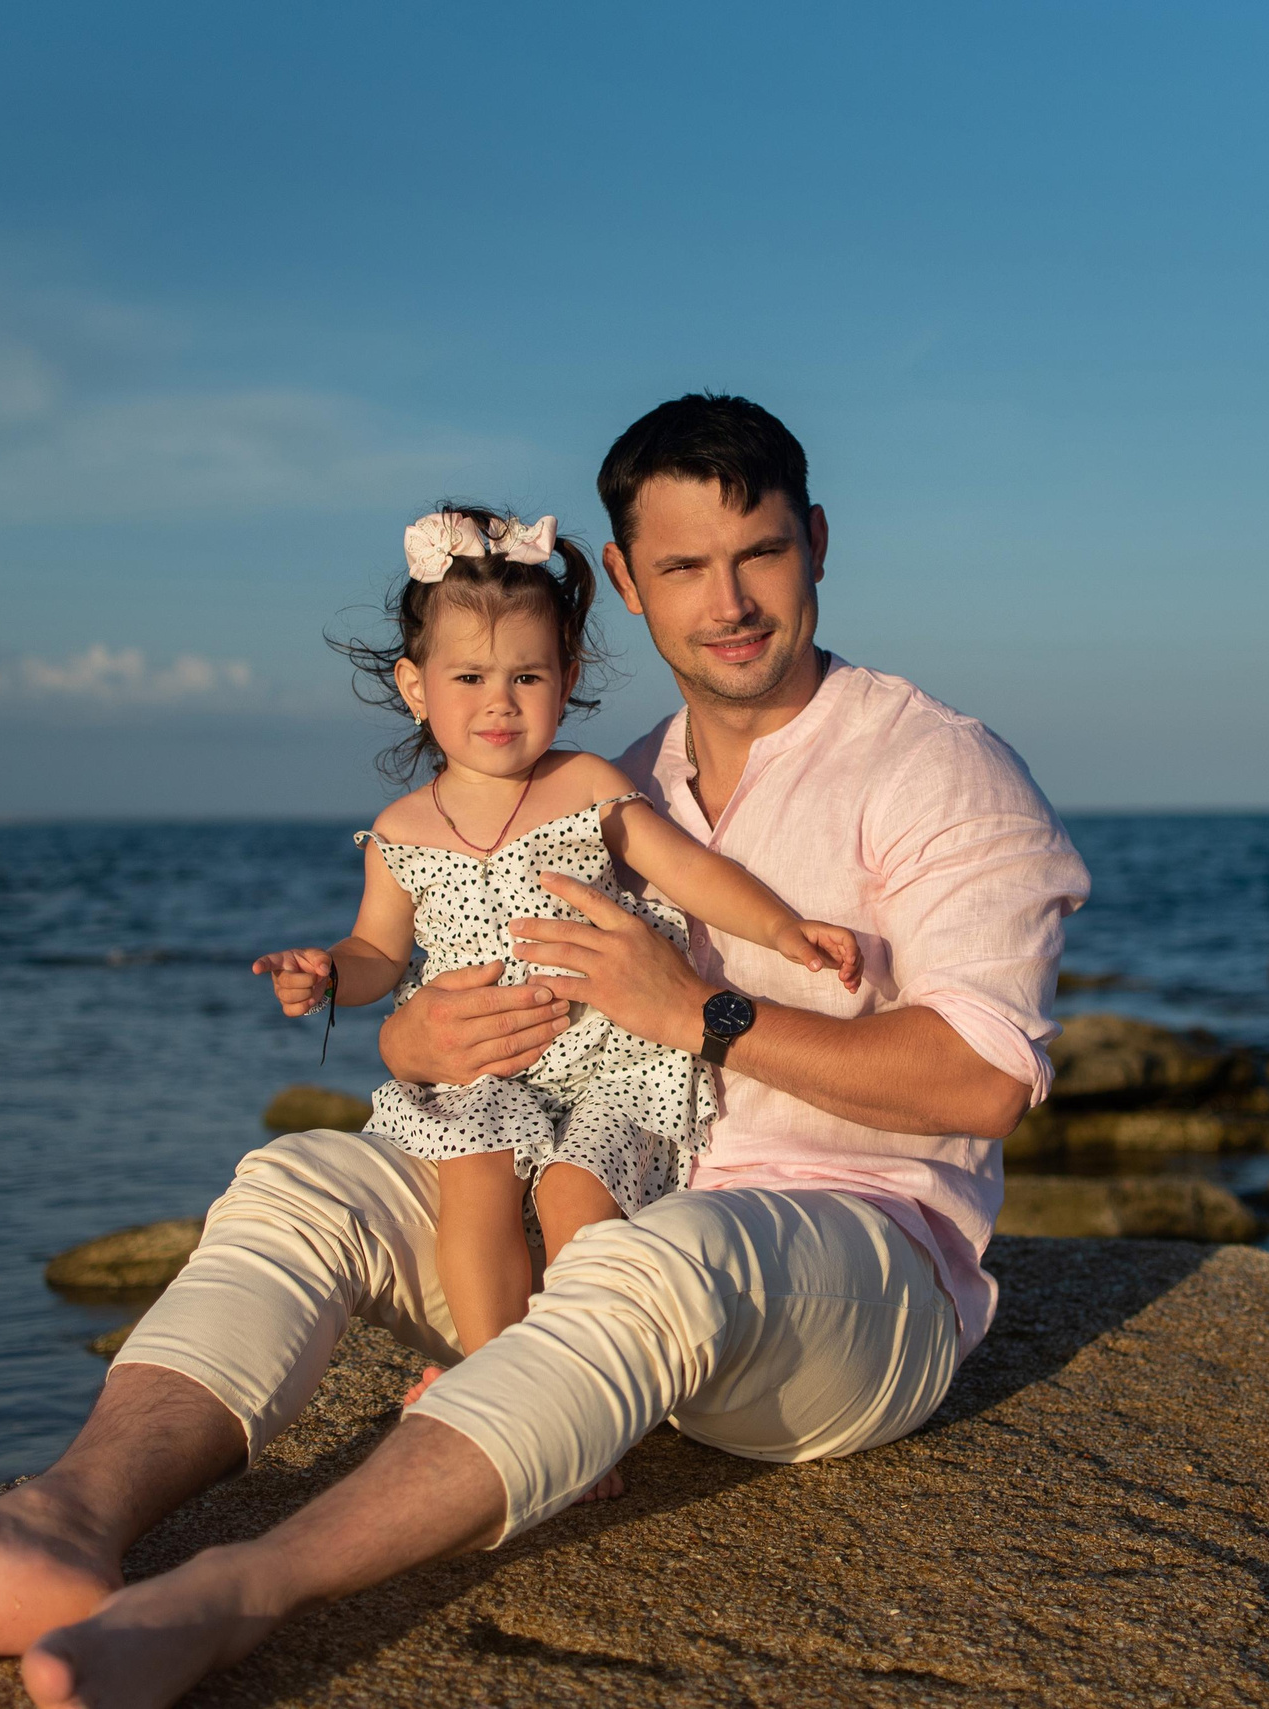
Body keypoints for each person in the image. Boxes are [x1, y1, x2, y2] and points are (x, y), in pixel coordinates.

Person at [0, 394, 1090, 1709]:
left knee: (652, 1258)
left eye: (762, 553)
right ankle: (53, 1529)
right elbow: (438, 958)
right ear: (621, 580)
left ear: (818, 544)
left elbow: (979, 1083)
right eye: (685, 565)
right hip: (602, 1203)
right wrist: (408, 1028)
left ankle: (236, 1594)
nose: (728, 599)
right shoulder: (609, 771)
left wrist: (702, 1011)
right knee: (302, 1180)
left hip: (846, 1273)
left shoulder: (938, 770)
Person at [249, 502, 861, 1422]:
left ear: (568, 678)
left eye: (528, 675)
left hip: (612, 1060)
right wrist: (329, 973)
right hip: (492, 1066)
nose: (500, 701)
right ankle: (496, 1378)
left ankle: (581, 1395)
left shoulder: (585, 788)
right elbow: (379, 949)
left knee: (580, 1195)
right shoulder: (400, 831)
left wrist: (781, 929)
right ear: (417, 686)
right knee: (472, 1170)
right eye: (469, 676)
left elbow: (689, 870)